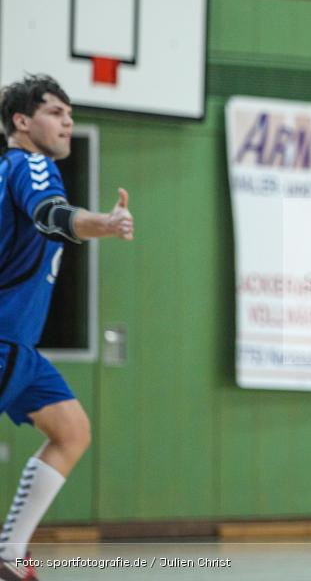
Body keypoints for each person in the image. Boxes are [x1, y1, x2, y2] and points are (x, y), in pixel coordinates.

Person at [0, 75, 134, 581]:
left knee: (71, 430)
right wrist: (102, 223)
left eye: (70, 115)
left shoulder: (8, 171)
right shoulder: (32, 165)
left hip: (19, 349)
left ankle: (11, 554)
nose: (67, 123)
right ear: (22, 121)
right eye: (56, 112)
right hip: (4, 339)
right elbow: (50, 214)